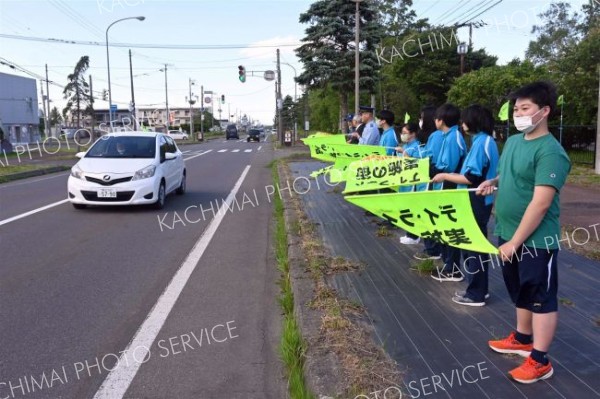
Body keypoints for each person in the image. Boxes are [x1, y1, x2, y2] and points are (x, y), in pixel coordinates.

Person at [477, 81, 571, 384]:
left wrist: (517, 241)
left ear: (544, 112)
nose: (518, 114)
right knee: (518, 289)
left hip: (534, 241)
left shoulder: (552, 152)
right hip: (507, 231)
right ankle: (521, 338)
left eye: (525, 108)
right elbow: (514, 173)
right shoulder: (516, 142)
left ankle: (541, 360)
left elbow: (541, 203)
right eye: (516, 109)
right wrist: (495, 181)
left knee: (540, 296)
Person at [431, 104, 499, 305]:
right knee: (474, 245)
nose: (462, 124)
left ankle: (476, 292)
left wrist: (444, 175)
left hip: (476, 199)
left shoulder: (482, 143)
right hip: (477, 199)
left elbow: (471, 177)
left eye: (465, 120)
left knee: (473, 245)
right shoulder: (483, 141)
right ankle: (478, 289)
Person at [428, 103, 466, 282]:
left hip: (449, 186)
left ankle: (453, 268)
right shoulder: (446, 136)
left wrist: (434, 170)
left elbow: (449, 167)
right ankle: (448, 264)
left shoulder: (453, 137)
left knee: (450, 226)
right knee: (442, 226)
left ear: (441, 120)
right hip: (442, 184)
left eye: (436, 118)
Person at [413, 106, 446, 260]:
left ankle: (433, 249)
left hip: (433, 181)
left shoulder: (437, 136)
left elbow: (432, 158)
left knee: (430, 213)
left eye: (421, 117)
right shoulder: (433, 135)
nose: (420, 121)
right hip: (428, 179)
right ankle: (431, 247)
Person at [396, 122, 422, 245]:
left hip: (412, 183)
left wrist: (404, 154)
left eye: (405, 133)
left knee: (412, 208)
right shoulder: (406, 145)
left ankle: (414, 235)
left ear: (413, 134)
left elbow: (416, 164)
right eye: (402, 133)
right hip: (403, 181)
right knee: (405, 207)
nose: (403, 135)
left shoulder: (416, 147)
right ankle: (408, 232)